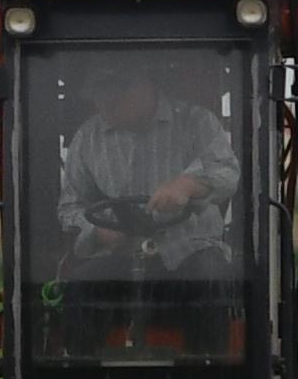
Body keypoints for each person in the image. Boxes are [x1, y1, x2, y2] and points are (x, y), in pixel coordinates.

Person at [56, 63, 238, 271]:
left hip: (190, 252)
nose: (105, 111)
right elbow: (70, 207)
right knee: (80, 287)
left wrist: (187, 185)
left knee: (210, 274)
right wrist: (97, 233)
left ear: (143, 89)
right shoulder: (88, 137)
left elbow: (228, 172)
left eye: (114, 102)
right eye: (99, 103)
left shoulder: (196, 121)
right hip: (117, 258)